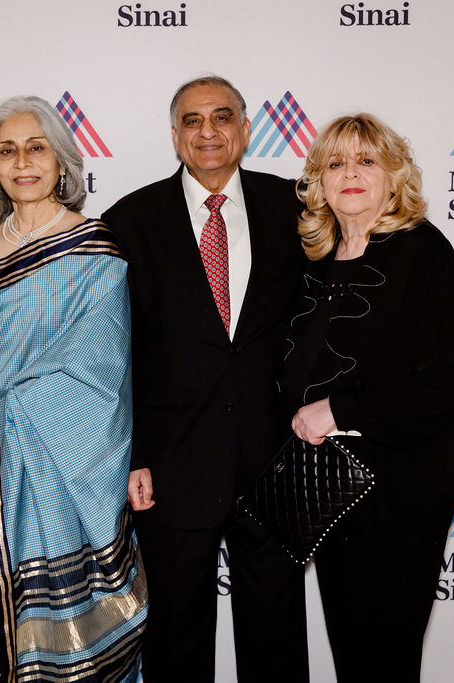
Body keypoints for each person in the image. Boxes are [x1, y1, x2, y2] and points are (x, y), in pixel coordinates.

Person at [102, 75, 311, 682]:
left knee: (276, 639)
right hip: (171, 468)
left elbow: (353, 280)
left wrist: (437, 290)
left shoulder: (296, 210)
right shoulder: (131, 220)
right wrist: (134, 457)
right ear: (175, 136)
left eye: (223, 117)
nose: (209, 131)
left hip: (275, 461)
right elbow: (115, 352)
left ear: (246, 129)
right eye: (193, 121)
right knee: (174, 643)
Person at [0, 96, 146, 682]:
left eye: (36, 147)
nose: (22, 162)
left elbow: (102, 371)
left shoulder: (95, 245)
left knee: (73, 624)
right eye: (7, 151)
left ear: (61, 161)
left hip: (67, 461)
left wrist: (6, 411)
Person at [282, 113, 454, 682]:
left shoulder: (423, 252)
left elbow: (447, 381)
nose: (351, 173)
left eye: (367, 161)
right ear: (318, 181)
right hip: (330, 491)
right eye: (336, 162)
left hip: (403, 491)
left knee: (385, 659)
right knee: (353, 655)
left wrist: (339, 410)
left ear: (394, 179)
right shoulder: (314, 263)